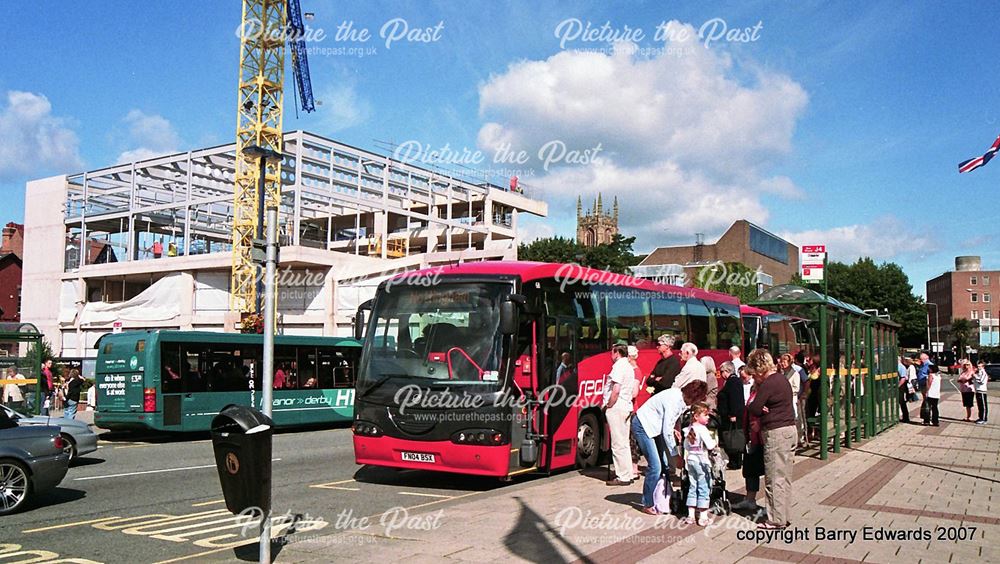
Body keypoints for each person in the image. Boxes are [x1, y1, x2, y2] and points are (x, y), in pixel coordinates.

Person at [631, 380, 708, 515]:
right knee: (655, 466)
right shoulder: (674, 400)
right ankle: (647, 503)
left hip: (655, 427)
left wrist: (674, 429)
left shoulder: (681, 399)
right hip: (643, 425)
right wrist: (675, 455)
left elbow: (670, 422)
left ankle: (664, 496)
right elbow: (666, 430)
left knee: (664, 464)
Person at [746, 348, 796, 530]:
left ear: (759, 369)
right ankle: (784, 515)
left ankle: (775, 519)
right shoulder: (782, 378)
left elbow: (754, 408)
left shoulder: (768, 383)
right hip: (790, 430)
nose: (754, 378)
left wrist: (760, 406)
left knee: (773, 477)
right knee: (784, 477)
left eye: (754, 374)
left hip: (776, 433)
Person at [733, 366, 766, 514]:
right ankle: (750, 499)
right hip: (751, 436)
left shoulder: (765, 393)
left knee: (762, 469)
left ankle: (769, 506)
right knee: (750, 469)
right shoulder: (754, 391)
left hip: (761, 437)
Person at [604, 345, 637, 486]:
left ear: (617, 353)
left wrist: (609, 404)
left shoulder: (618, 366)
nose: (611, 355)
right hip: (626, 406)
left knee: (617, 443)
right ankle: (628, 473)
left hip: (617, 407)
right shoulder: (629, 366)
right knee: (624, 443)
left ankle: (622, 476)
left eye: (612, 352)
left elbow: (616, 389)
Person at [682, 402, 718, 526]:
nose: (708, 417)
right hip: (701, 461)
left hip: (691, 460)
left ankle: (690, 515)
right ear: (696, 416)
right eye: (705, 415)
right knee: (704, 486)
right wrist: (714, 443)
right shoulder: (702, 429)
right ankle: (703, 516)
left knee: (693, 486)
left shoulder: (688, 430)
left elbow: (686, 446)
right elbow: (709, 445)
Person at [717, 361, 747, 469]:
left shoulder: (733, 382)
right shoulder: (732, 381)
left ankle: (735, 461)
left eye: (722, 371)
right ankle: (734, 460)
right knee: (730, 437)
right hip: (728, 415)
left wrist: (733, 414)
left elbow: (735, 399)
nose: (721, 374)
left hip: (732, 416)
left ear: (727, 371)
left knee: (732, 438)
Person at [778, 353, 802, 447]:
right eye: (781, 361)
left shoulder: (794, 373)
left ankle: (796, 439)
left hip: (792, 398)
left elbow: (796, 388)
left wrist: (786, 390)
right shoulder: (782, 373)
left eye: (784, 361)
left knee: (794, 418)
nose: (782, 363)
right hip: (783, 398)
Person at [975, 360, 989, 425]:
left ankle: (984, 419)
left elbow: (981, 381)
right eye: (977, 366)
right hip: (978, 391)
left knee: (983, 406)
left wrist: (975, 376)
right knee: (979, 405)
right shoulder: (978, 372)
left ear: (983, 366)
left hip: (982, 391)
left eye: (979, 366)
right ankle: (980, 417)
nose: (978, 367)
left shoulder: (983, 373)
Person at [897, 356, 910, 423]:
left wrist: (898, 386)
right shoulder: (898, 366)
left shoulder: (901, 367)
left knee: (902, 402)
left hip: (901, 387)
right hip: (900, 386)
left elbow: (903, 378)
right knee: (900, 402)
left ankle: (906, 417)